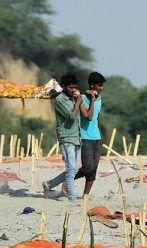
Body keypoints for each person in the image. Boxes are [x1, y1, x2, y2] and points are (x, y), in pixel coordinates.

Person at [42, 74, 82, 202]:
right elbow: (71, 116)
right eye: (71, 88)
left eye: (75, 87)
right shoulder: (60, 100)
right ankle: (72, 199)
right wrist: (78, 102)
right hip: (66, 138)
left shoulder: (72, 98)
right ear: (64, 87)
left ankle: (49, 184)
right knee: (70, 170)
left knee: (74, 170)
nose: (73, 90)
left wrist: (77, 100)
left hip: (76, 137)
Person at [75, 72, 106, 195]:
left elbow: (96, 118)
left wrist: (99, 136)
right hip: (85, 137)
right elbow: (88, 116)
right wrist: (92, 100)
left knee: (93, 170)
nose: (101, 88)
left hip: (96, 138)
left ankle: (85, 196)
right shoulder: (81, 98)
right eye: (99, 85)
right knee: (88, 168)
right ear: (92, 85)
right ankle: (68, 181)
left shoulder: (100, 99)